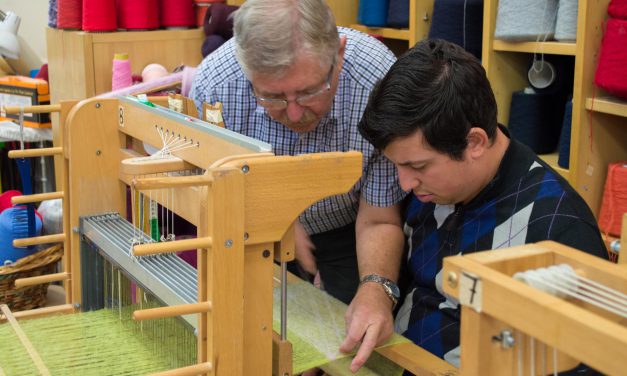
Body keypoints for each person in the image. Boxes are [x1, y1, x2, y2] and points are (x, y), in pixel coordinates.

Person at [354, 39, 608, 371]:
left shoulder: (558, 230)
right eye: (396, 166)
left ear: (474, 142)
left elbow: (587, 365)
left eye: (417, 167)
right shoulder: (432, 187)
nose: (404, 184)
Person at [190, 0, 406, 338]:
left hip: (351, 230)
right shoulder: (216, 85)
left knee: (348, 338)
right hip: (247, 228)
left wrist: (376, 290)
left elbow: (379, 218)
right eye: (272, 97)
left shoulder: (377, 83)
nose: (293, 114)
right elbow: (206, 191)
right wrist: (271, 215)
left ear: (339, 55)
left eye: (308, 92)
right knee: (248, 338)